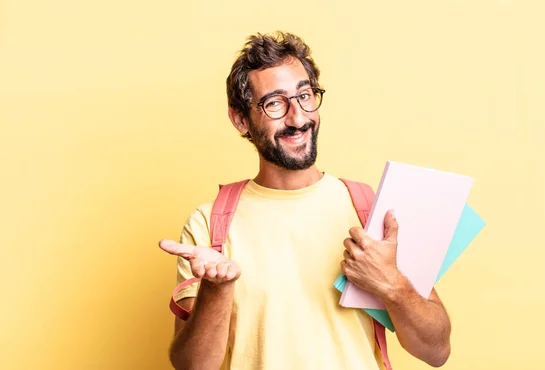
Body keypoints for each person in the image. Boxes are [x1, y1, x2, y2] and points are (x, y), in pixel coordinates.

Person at [158, 31, 452, 370]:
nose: (298, 118)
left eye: (305, 95)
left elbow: (437, 350)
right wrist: (215, 290)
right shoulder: (208, 226)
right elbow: (191, 366)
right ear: (241, 119)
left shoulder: (374, 212)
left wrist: (393, 284)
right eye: (274, 103)